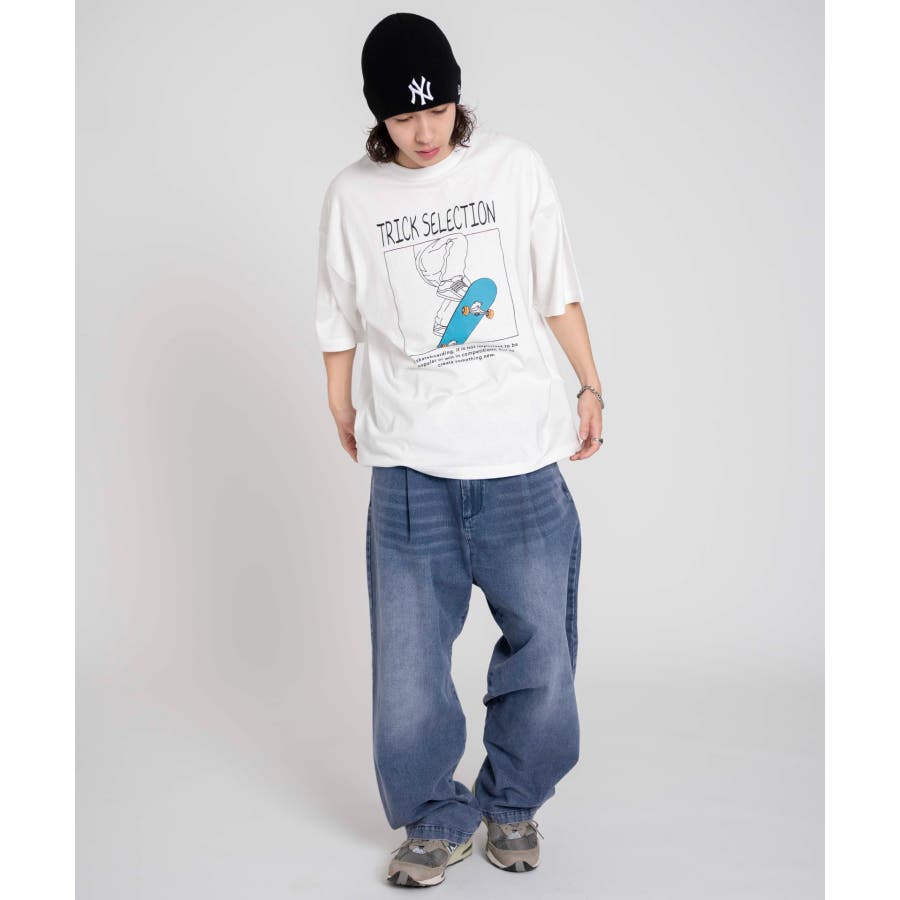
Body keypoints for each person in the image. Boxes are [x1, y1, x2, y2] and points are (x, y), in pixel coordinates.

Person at [315, 12, 605, 888]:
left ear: (456, 99)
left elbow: (556, 287)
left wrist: (591, 385)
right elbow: (338, 314)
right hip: (410, 468)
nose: (425, 132)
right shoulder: (352, 196)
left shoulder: (514, 169)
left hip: (520, 460)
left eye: (437, 110)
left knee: (543, 653)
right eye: (405, 117)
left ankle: (513, 804)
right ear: (379, 116)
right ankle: (436, 818)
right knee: (408, 672)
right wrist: (339, 402)